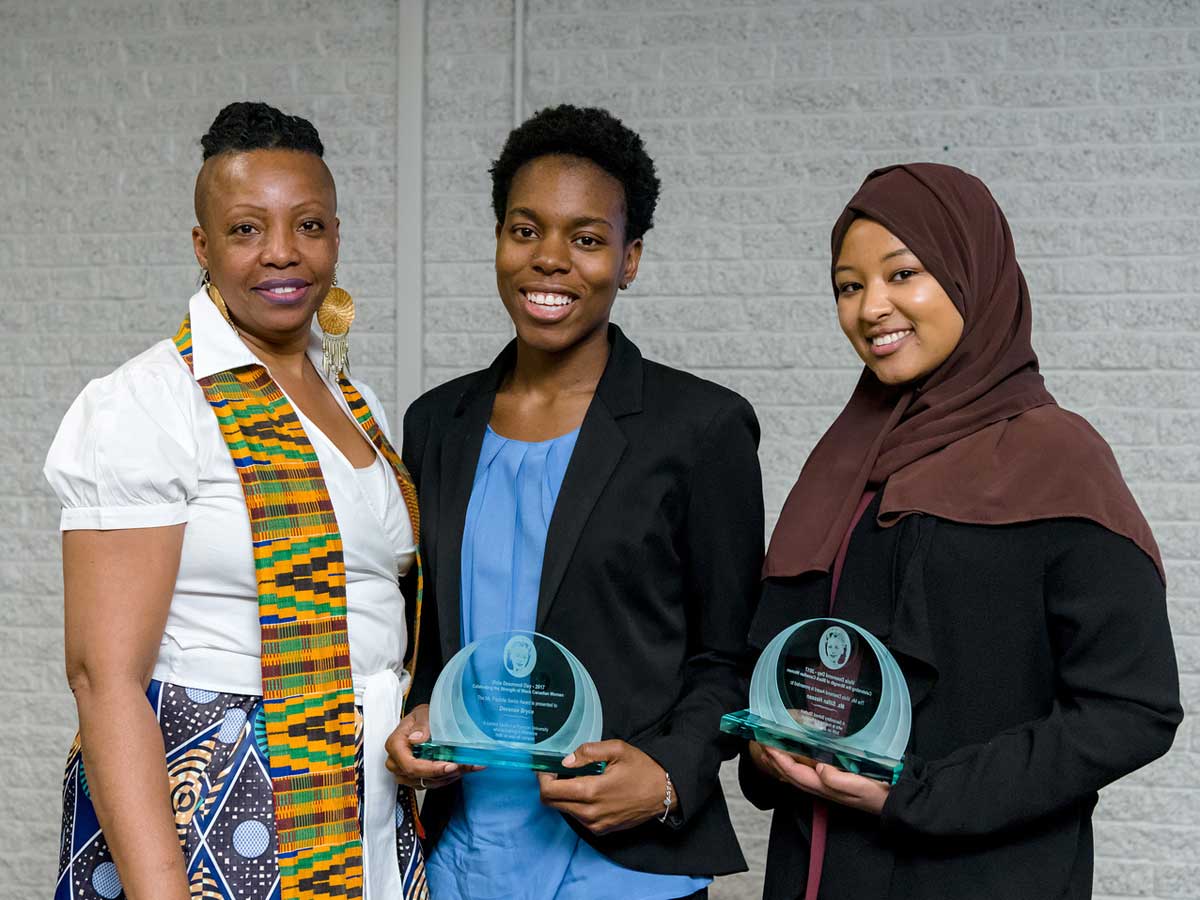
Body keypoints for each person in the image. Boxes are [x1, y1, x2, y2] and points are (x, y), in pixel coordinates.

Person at [740, 162, 1182, 900]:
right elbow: (797, 661)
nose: (871, 307)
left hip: (978, 876)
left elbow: (1132, 708)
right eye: (849, 286)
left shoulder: (1057, 458)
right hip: (814, 866)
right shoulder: (848, 461)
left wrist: (916, 794)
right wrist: (765, 743)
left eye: (903, 273)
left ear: (972, 273)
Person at [45, 102, 427, 900]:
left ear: (336, 236)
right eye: (247, 229)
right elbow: (103, 678)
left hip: (366, 799)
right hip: (226, 799)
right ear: (203, 247)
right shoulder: (150, 401)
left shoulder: (359, 403)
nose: (283, 253)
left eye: (310, 226)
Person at [386, 104, 764, 900]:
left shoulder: (700, 428)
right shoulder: (435, 425)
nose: (550, 260)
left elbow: (729, 658)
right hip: (459, 858)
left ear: (629, 260)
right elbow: (425, 629)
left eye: (587, 239)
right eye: (526, 231)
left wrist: (667, 775)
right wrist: (416, 717)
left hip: (623, 868)